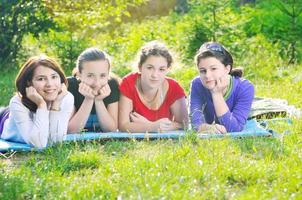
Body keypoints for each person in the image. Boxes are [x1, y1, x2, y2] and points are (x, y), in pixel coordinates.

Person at [0, 55, 74, 148]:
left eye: (54, 77)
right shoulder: (17, 102)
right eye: (41, 79)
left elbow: (56, 141)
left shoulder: (66, 98)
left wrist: (56, 105)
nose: (50, 84)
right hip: (3, 119)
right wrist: (41, 105)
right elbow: (38, 144)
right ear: (29, 82)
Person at [119, 41, 188, 132]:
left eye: (161, 69)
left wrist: (151, 125)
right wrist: (152, 127)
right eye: (150, 68)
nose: (155, 75)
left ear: (167, 69)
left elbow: (184, 124)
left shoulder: (174, 88)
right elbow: (123, 126)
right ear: (140, 67)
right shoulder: (129, 83)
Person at [189, 42, 254, 133]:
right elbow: (195, 122)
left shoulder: (245, 87)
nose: (207, 75)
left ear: (227, 69)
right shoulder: (197, 84)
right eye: (203, 71)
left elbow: (234, 128)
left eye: (213, 69)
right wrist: (206, 128)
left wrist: (216, 94)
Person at [67, 48, 119, 133]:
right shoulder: (71, 86)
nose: (97, 83)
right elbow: (71, 131)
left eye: (102, 75)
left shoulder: (112, 85)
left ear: (108, 74)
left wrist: (99, 101)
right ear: (79, 74)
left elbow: (111, 130)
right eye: (90, 75)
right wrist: (88, 99)